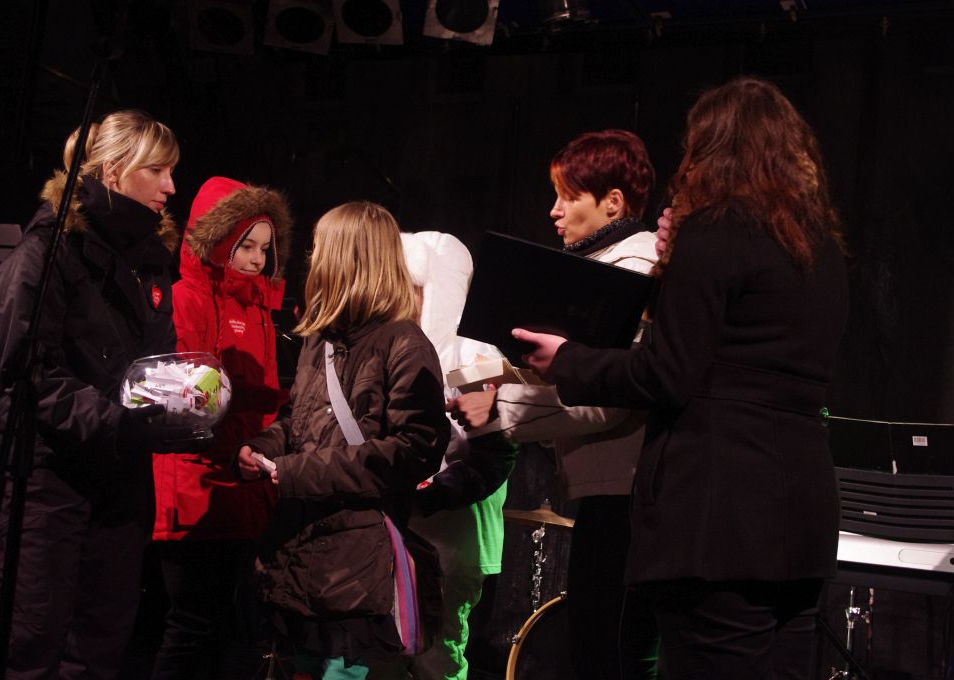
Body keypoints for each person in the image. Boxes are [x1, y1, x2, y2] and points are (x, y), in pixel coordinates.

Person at [516, 77, 849, 678]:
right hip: (803, 513)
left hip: (719, 515)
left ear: (710, 148)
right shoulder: (820, 248)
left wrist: (567, 360)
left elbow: (667, 372)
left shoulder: (715, 229)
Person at [448, 129, 661, 679]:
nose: (555, 210)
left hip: (627, 495)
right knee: (598, 645)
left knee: (609, 652)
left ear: (613, 202)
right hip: (610, 491)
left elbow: (609, 396)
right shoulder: (605, 264)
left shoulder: (634, 272)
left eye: (569, 196)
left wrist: (499, 410)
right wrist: (484, 379)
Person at [0, 109, 189, 679]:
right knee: (31, 641)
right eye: (158, 170)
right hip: (50, 477)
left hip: (121, 478)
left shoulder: (150, 258)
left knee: (101, 644)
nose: (172, 187)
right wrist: (119, 422)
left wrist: (183, 402)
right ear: (113, 170)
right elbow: (31, 376)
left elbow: (154, 364)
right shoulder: (47, 250)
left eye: (172, 171)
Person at [237, 202, 451, 680]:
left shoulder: (405, 343)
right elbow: (299, 420)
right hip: (300, 549)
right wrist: (263, 449)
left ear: (347, 258)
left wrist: (296, 472)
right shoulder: (321, 341)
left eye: (320, 248)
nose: (312, 259)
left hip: (356, 565)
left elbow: (414, 450)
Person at [150, 177, 293, 678]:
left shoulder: (260, 309)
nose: (257, 259)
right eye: (246, 246)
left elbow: (264, 400)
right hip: (195, 482)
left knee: (234, 631)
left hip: (245, 482)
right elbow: (182, 396)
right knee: (191, 626)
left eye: (265, 249)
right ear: (216, 241)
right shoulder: (184, 298)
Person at [363, 231, 517, 680]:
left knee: (437, 657)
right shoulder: (387, 349)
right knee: (381, 660)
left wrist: (432, 496)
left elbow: (498, 453)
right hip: (393, 533)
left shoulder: (477, 355)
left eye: (408, 286)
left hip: (451, 538)